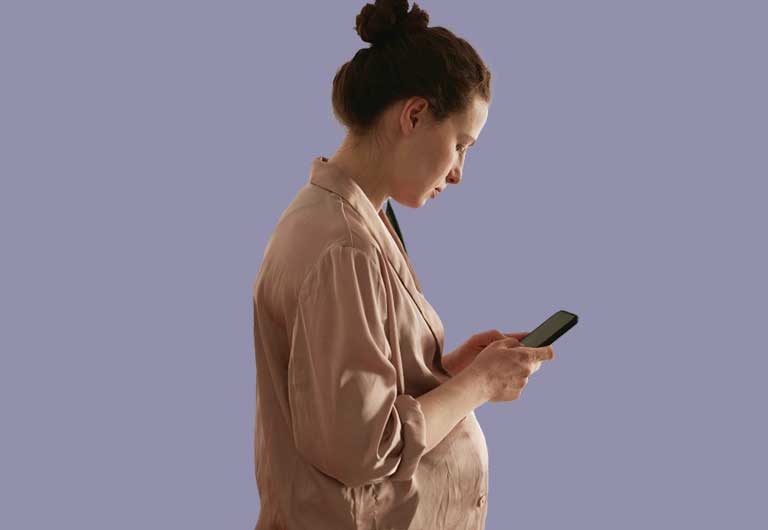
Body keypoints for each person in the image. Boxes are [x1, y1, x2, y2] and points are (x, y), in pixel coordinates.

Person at [251, 1, 555, 528]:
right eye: (460, 144)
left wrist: (447, 372)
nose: (458, 173)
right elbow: (362, 447)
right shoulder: (343, 246)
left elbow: (349, 396)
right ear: (413, 115)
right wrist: (479, 385)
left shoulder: (352, 219)